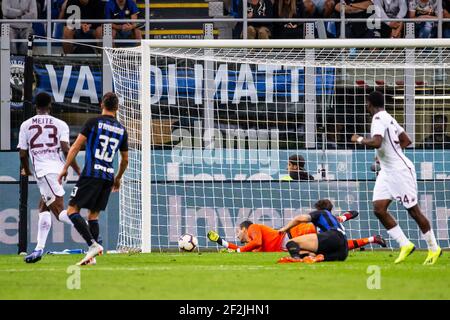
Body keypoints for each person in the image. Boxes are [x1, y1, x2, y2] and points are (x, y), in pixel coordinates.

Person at [351, 91, 442, 265]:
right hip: (387, 171)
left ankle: (433, 248)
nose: (366, 106)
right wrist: (387, 154)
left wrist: (359, 139)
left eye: (366, 103)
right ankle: (405, 244)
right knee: (379, 208)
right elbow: (406, 140)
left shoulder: (378, 119)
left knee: (413, 211)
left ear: (370, 103)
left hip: (400, 171)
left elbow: (377, 142)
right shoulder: (389, 117)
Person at [58, 92, 129, 266]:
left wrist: (65, 168)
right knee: (93, 216)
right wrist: (118, 178)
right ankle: (92, 257)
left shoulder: (93, 123)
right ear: (117, 108)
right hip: (107, 177)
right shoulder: (121, 129)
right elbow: (125, 159)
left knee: (72, 211)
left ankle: (92, 245)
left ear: (101, 105)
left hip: (91, 174)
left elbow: (75, 146)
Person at [18, 92, 81, 263]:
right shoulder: (60, 124)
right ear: (50, 105)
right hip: (58, 171)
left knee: (59, 211)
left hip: (45, 173)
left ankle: (92, 234)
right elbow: (66, 149)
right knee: (44, 207)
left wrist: (26, 169)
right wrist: (75, 169)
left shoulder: (25, 125)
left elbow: (23, 153)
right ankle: (39, 249)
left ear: (34, 106)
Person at [208, 203, 387, 254]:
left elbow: (257, 242)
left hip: (291, 236)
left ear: (244, 228)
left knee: (325, 232)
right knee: (333, 245)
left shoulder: (253, 228)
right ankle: (372, 239)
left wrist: (238, 250)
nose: (237, 234)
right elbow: (247, 247)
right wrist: (222, 242)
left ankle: (341, 217)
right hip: (290, 245)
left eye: (238, 231)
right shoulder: (251, 248)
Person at [277, 199, 350, 262]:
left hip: (334, 236)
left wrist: (285, 228)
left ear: (318, 208)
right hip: (343, 252)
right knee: (308, 252)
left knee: (291, 242)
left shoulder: (322, 212)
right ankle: (313, 257)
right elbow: (354, 213)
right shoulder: (334, 218)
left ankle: (296, 258)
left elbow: (300, 218)